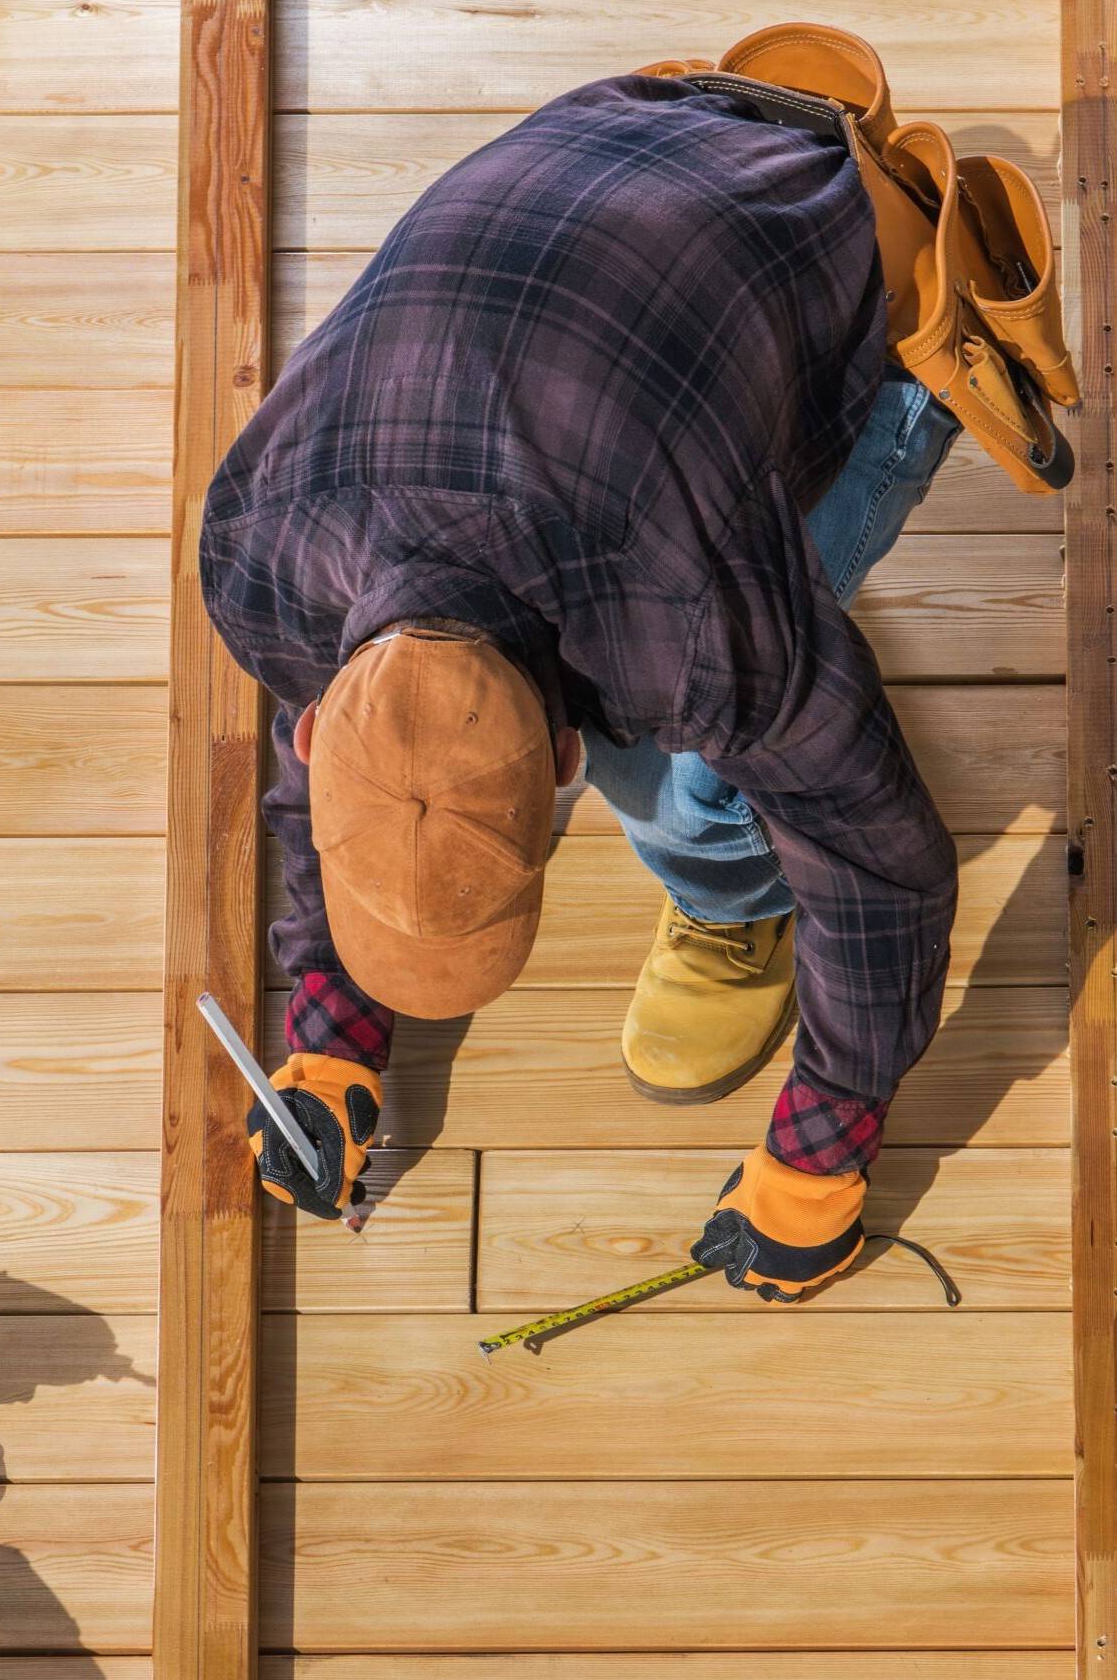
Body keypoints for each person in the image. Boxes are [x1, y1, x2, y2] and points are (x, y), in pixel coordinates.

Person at [200, 69, 963, 1303]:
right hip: (613, 137)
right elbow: (331, 772)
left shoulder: (678, 614)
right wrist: (329, 1025)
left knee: (685, 784)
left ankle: (731, 904)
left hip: (852, 237)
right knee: (703, 691)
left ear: (559, 765)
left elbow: (884, 862)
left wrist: (826, 1147)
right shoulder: (258, 557)